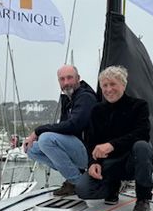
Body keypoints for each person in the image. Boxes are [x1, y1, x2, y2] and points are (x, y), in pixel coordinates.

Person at [75, 65, 153, 211]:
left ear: (123, 85)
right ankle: (113, 186)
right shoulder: (97, 111)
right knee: (83, 190)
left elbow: (142, 133)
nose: (108, 89)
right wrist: (92, 163)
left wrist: (112, 145)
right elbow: (91, 141)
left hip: (132, 161)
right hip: (109, 165)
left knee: (143, 146)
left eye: (113, 84)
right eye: (105, 85)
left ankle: (143, 198)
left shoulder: (139, 106)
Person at [23, 65, 97, 196]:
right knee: (31, 148)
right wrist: (35, 138)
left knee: (46, 139)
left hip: (91, 152)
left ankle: (78, 183)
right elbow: (63, 128)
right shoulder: (68, 100)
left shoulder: (85, 97)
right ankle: (76, 175)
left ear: (78, 79)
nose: (66, 82)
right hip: (77, 149)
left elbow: (73, 126)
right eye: (62, 79)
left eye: (70, 78)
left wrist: (37, 131)